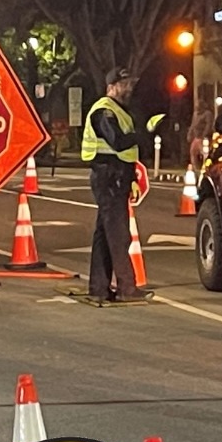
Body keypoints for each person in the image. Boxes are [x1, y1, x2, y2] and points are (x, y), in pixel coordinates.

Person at [80, 67, 154, 303]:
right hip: (108, 177)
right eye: (124, 84)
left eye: (131, 83)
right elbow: (118, 142)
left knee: (104, 233)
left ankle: (99, 287)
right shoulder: (104, 111)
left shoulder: (121, 111)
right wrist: (142, 133)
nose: (129, 88)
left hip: (116, 175)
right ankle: (126, 287)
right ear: (111, 87)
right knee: (118, 234)